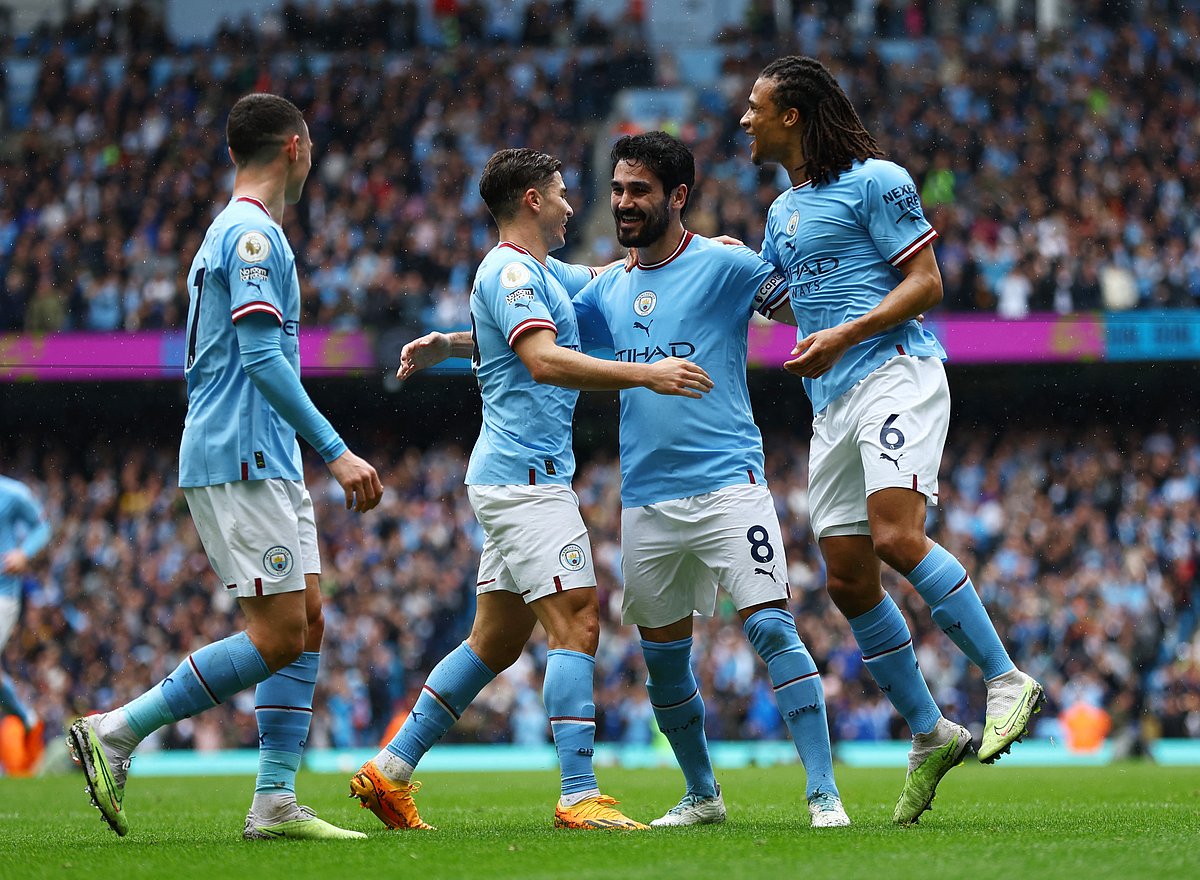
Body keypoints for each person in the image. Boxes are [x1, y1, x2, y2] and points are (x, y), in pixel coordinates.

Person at [349, 147, 712, 832]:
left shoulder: (539, 271)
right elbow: (541, 360)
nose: (575, 203)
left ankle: (390, 770)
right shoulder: (511, 269)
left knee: (494, 640)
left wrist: (706, 249)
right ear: (532, 201)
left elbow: (611, 274)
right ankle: (578, 793)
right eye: (563, 191)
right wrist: (646, 374)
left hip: (515, 477)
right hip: (526, 483)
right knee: (577, 617)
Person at [68, 93, 384, 840]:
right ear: (296, 149)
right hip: (240, 453)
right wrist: (336, 451)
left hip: (263, 454)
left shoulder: (245, 230)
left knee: (306, 620)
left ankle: (274, 802)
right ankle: (116, 730)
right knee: (277, 635)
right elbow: (261, 356)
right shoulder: (249, 236)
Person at [739, 55, 1045, 824]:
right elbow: (780, 295)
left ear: (793, 117)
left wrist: (843, 330)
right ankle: (930, 731)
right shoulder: (782, 212)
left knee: (897, 536)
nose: (743, 118)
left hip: (896, 373)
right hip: (831, 401)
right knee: (845, 575)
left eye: (755, 106)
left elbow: (926, 284)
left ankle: (1005, 678)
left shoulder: (879, 180)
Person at [571, 131, 850, 829]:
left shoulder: (725, 264)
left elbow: (798, 305)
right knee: (663, 667)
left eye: (638, 191)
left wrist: (850, 301)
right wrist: (454, 342)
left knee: (773, 630)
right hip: (646, 501)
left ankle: (823, 794)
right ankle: (702, 795)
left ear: (678, 196)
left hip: (729, 484)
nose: (624, 203)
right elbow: (538, 341)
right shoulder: (607, 287)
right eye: (618, 190)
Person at [0, 474, 51, 772]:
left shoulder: (12, 493)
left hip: (3, 593)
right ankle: (27, 718)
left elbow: (43, 526)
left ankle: (25, 717)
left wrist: (24, 552)